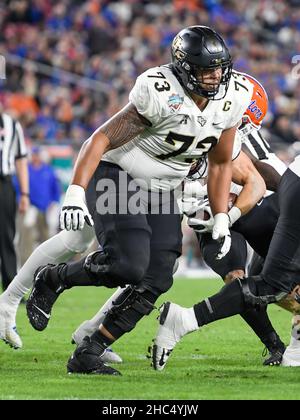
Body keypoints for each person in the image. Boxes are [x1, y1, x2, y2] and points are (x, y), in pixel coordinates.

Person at [26, 25, 253, 376]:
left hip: (163, 187)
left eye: (220, 68)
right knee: (128, 264)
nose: (216, 76)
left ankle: (90, 351)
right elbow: (101, 138)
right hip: (121, 173)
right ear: (184, 69)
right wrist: (75, 191)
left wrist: (222, 215)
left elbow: (222, 162)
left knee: (158, 276)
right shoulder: (160, 91)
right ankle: (54, 278)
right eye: (207, 70)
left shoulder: (233, 96)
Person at [151, 153, 300, 371]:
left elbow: (257, 167)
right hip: (214, 215)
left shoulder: (232, 131)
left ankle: (293, 352)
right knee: (242, 279)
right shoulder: (173, 139)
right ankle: (276, 346)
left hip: (256, 203)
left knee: (280, 285)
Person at [0, 110, 29, 292]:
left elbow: (20, 160)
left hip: (4, 183)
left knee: (7, 236)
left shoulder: (12, 124)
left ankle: (10, 287)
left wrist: (25, 193)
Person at [16, 146, 61, 265]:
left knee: (47, 238)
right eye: (34, 155)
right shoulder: (26, 169)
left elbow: (56, 189)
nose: (36, 157)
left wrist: (54, 203)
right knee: (26, 238)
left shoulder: (48, 170)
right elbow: (17, 187)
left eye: (37, 155)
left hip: (45, 209)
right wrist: (22, 201)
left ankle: (48, 265)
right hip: (30, 208)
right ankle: (24, 265)